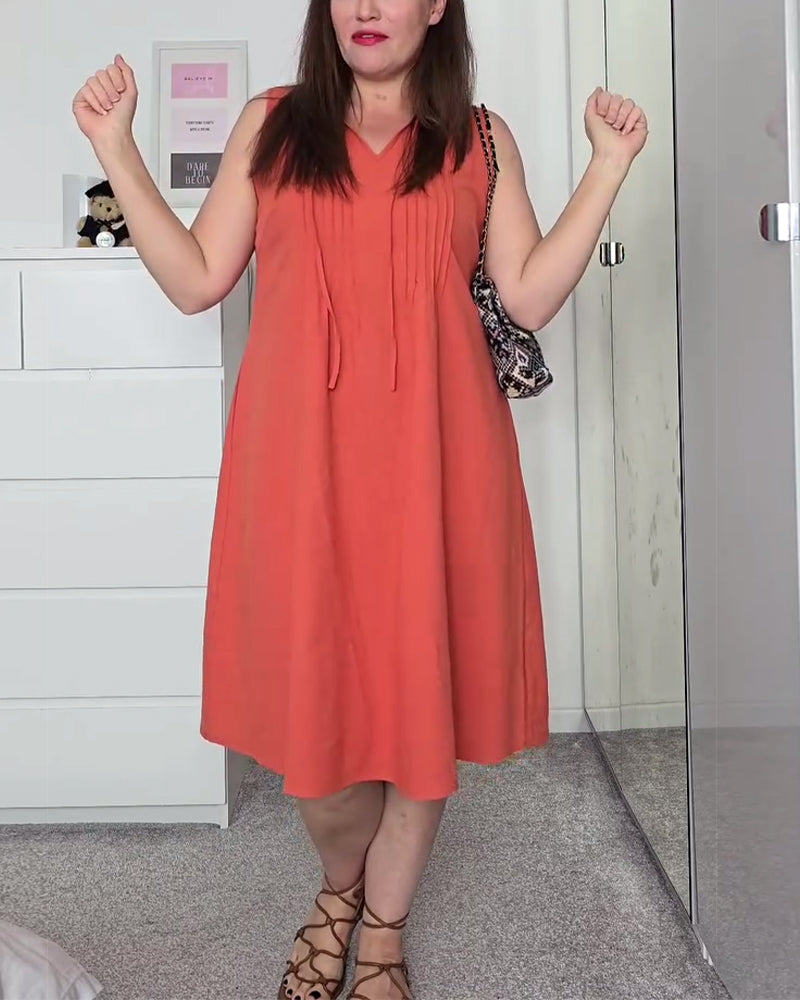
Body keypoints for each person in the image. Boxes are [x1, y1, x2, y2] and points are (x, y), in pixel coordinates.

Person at [72, 2, 647, 997]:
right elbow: (198, 279)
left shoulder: (478, 138)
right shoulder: (271, 123)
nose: (368, 7)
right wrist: (116, 149)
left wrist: (606, 167)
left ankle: (380, 929)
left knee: (423, 714)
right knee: (320, 745)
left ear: (436, 8)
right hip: (299, 471)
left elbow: (525, 295)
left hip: (441, 464)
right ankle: (342, 887)